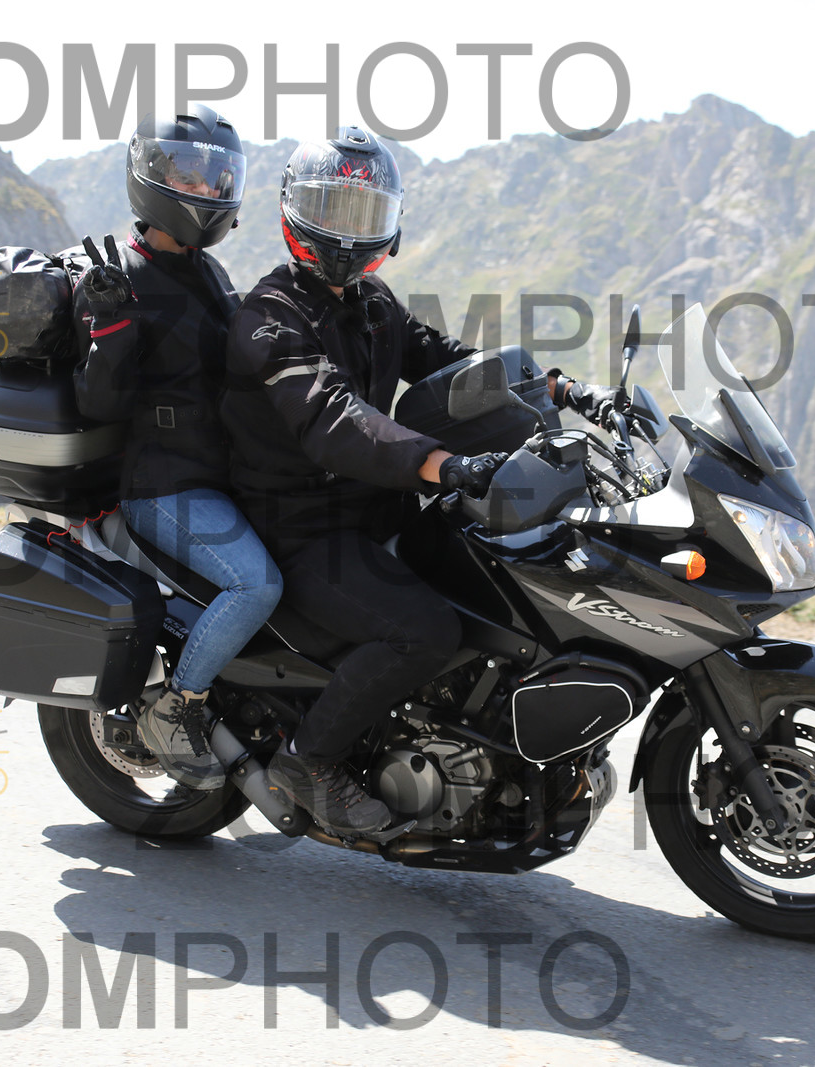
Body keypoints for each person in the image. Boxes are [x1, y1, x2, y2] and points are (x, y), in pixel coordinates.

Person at [220, 127, 627, 833]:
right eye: (333, 209)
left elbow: (453, 363)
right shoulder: (270, 317)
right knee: (426, 631)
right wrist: (444, 465)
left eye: (363, 213)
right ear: (295, 212)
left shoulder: (371, 301)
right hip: (300, 530)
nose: (348, 232)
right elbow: (336, 420)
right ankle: (310, 761)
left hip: (374, 508)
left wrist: (562, 389)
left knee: (498, 574)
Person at [74, 105, 282, 791]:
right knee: (256, 584)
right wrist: (109, 326)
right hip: (164, 486)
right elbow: (99, 403)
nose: (204, 190)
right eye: (188, 176)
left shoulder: (207, 271)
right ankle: (177, 705)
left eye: (216, 178)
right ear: (152, 176)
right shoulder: (114, 277)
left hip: (221, 475)